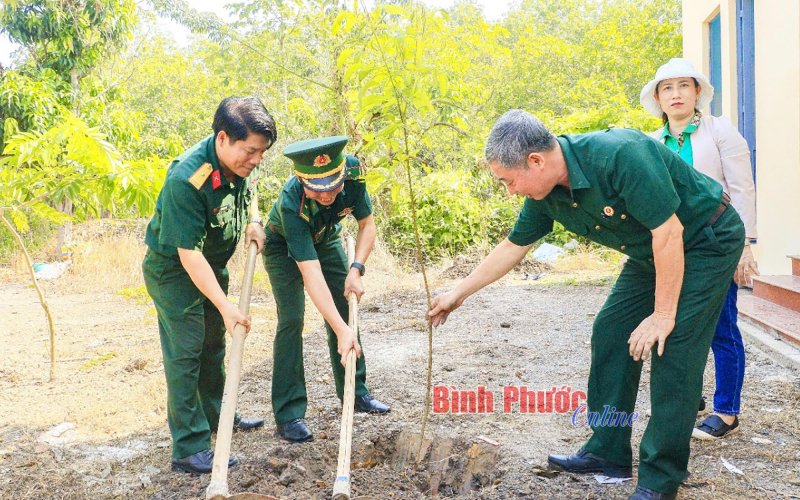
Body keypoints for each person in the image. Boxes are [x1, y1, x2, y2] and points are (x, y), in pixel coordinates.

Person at [429, 110, 744, 500]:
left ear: (536, 161)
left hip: (705, 239)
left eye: (508, 181)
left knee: (673, 347)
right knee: (611, 331)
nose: (510, 191)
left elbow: (670, 231)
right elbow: (513, 246)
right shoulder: (545, 193)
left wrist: (663, 315)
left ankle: (660, 478)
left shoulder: (620, 155)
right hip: (652, 252)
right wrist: (457, 293)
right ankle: (607, 451)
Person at [142, 96, 276, 474]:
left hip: (210, 267)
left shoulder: (240, 164)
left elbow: (245, 191)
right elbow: (188, 255)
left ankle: (219, 414)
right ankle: (188, 446)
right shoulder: (187, 179)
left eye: (261, 153)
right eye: (250, 151)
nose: (256, 160)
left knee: (212, 344)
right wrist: (225, 305)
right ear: (222, 138)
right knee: (186, 352)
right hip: (174, 271)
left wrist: (253, 220)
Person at [640, 58, 758, 440]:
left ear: (697, 92)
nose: (676, 94)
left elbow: (741, 188)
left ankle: (727, 411)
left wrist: (745, 245)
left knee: (721, 327)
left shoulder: (719, 131)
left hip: (717, 243)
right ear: (658, 97)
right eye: (667, 88)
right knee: (673, 324)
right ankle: (689, 397)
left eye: (683, 86)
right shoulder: (652, 144)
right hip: (673, 246)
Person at [262, 135, 390, 443]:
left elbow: (367, 225)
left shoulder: (354, 173)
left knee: (346, 307)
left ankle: (355, 392)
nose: (329, 195)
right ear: (301, 179)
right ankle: (289, 412)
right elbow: (310, 273)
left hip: (326, 238)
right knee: (292, 318)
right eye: (318, 190)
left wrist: (356, 269)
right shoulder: (292, 202)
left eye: (334, 186)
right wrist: (340, 329)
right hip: (282, 248)